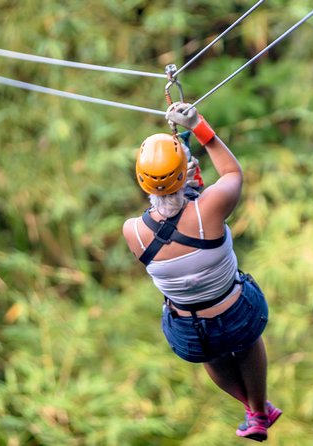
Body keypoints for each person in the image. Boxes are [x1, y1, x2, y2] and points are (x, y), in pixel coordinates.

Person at [122, 102, 282, 442]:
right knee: (248, 340)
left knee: (209, 350)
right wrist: (198, 126)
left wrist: (185, 186)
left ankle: (255, 411)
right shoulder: (208, 208)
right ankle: (257, 408)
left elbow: (169, 216)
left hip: (188, 331)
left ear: (142, 181)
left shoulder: (132, 231)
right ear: (184, 174)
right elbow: (232, 174)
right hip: (238, 312)